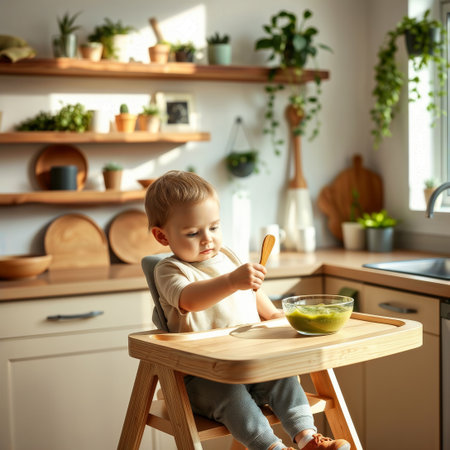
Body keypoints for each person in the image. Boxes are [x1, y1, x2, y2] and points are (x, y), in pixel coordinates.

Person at [144, 170, 351, 450]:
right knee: (232, 398)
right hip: (201, 377)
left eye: (214, 227)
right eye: (193, 233)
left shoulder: (228, 256)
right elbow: (189, 299)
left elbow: (253, 294)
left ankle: (307, 438)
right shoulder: (168, 270)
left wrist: (274, 315)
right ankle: (270, 447)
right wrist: (231, 281)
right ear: (161, 236)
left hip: (249, 364)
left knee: (286, 377)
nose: (207, 239)